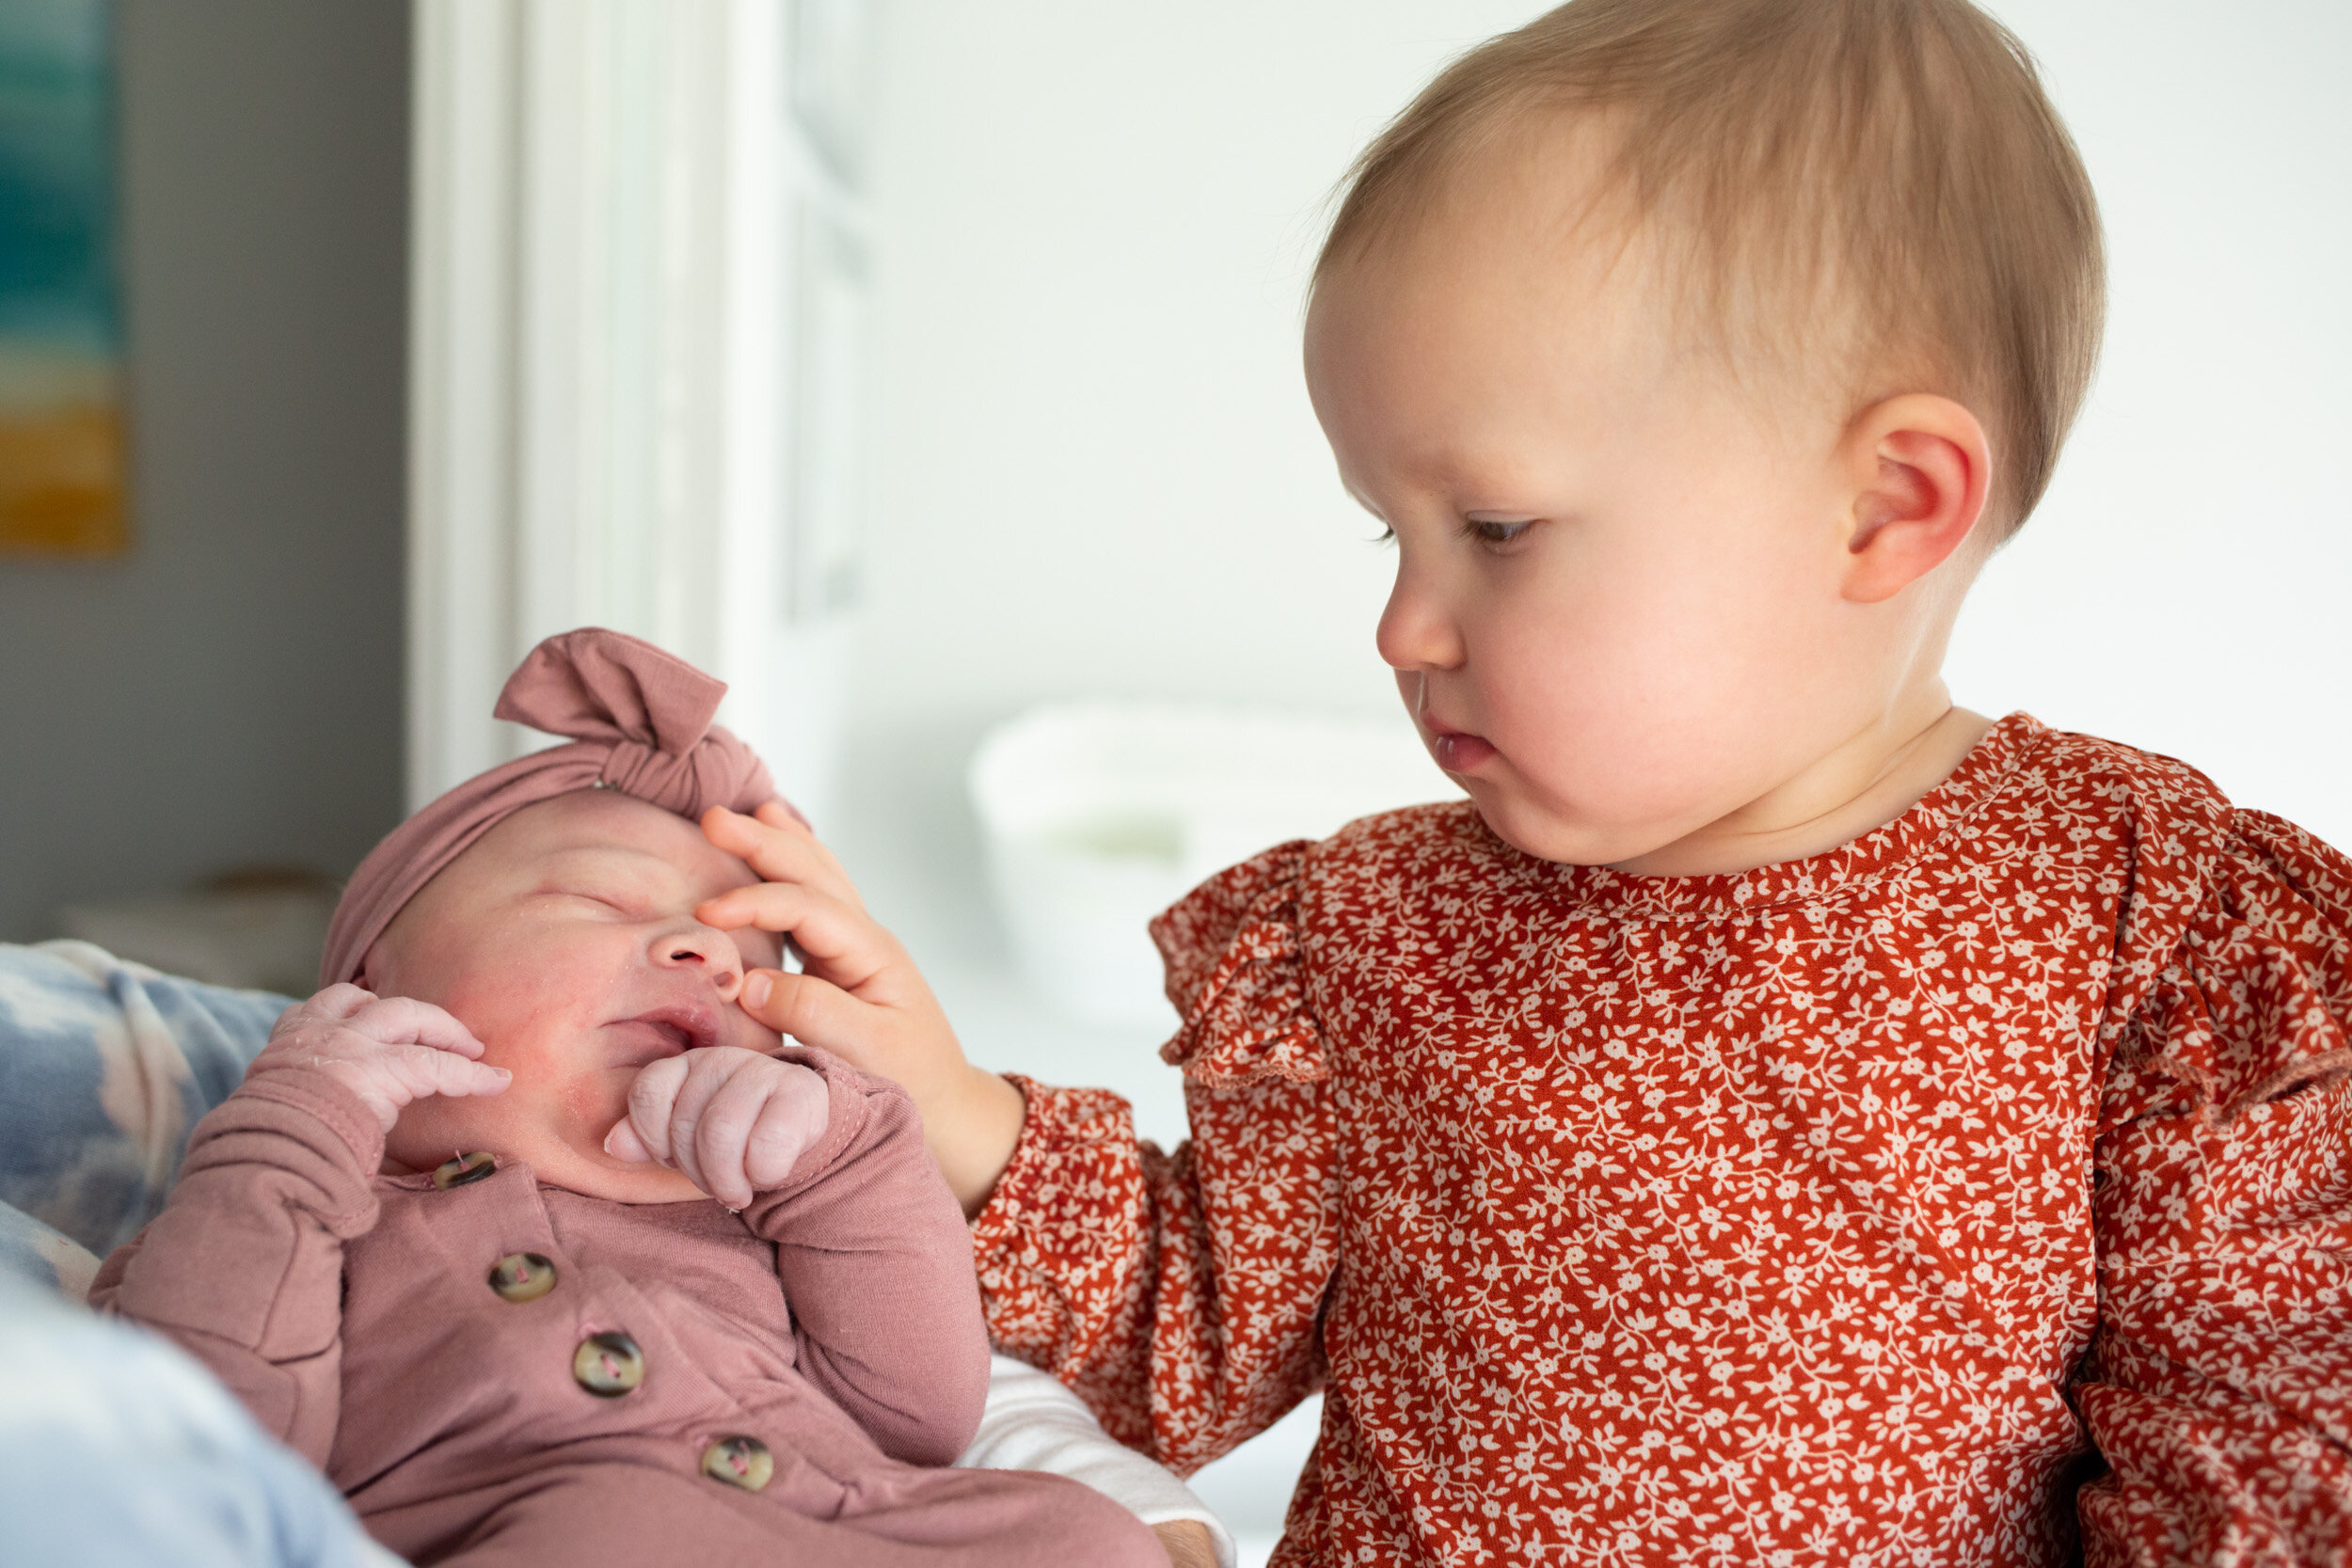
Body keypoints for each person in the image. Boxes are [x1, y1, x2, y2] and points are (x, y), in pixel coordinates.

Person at [691, 2, 2352, 1562]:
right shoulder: (1379, 927)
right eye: (1387, 531)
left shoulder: (2138, 924)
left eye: (1493, 529)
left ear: (1883, 508)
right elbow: (1189, 1334)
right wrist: (955, 1109)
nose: (1403, 622)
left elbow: (2259, 1454)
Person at [91, 628, 1172, 1568]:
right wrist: (291, 1133)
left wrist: (841, 1157)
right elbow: (216, 1450)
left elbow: (922, 1419)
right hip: (549, 1530)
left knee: (1096, 1536)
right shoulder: (297, 1207)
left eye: (746, 957)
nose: (704, 949)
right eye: (598, 896)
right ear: (370, 988)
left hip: (847, 1521)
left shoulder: (749, 1211)